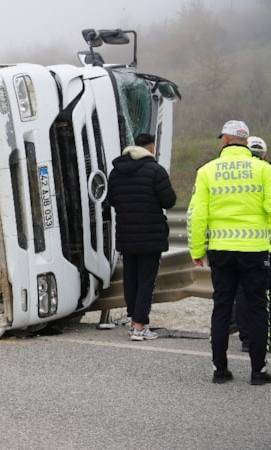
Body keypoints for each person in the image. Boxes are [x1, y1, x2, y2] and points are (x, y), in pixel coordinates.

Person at [188, 120, 271, 385]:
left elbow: (197, 215)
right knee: (258, 308)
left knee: (222, 307)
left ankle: (219, 370)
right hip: (254, 250)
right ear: (245, 141)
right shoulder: (263, 170)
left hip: (221, 250)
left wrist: (196, 248)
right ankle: (258, 371)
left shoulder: (207, 171)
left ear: (224, 140)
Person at [107, 133, 177, 341]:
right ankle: (139, 326)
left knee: (131, 279)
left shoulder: (116, 172)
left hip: (126, 234)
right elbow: (169, 201)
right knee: (146, 280)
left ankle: (133, 321)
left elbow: (111, 200)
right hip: (150, 235)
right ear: (151, 147)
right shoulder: (155, 170)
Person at [233, 135, 269, 352]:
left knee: (241, 294)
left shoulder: (227, 174)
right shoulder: (266, 174)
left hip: (229, 244)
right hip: (259, 245)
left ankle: (246, 338)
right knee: (258, 298)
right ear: (264, 156)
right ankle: (259, 341)